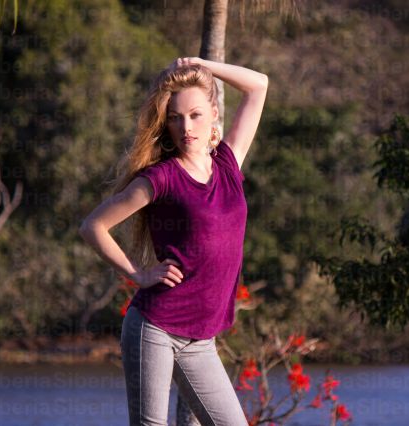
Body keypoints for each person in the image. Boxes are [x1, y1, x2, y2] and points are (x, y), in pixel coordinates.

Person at [79, 56, 268, 425]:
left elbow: (258, 85)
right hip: (156, 328)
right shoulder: (162, 178)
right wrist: (140, 274)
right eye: (176, 117)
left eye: (196, 115)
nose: (186, 127)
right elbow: (93, 226)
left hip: (200, 340)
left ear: (214, 114)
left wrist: (200, 65)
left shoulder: (228, 164)